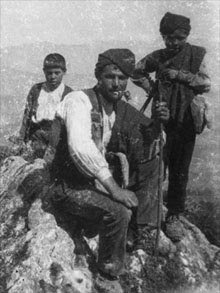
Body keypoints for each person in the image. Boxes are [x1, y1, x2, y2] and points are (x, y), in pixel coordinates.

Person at [50, 48, 169, 291]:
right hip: (67, 186)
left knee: (152, 162)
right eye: (110, 76)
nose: (116, 83)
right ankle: (107, 274)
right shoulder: (79, 101)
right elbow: (80, 148)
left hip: (90, 181)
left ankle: (144, 230)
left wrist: (158, 123)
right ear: (98, 77)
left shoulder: (117, 107)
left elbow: (150, 139)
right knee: (118, 212)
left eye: (122, 78)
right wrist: (114, 189)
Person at [132, 12, 211, 242]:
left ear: (187, 35)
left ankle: (174, 215)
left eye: (178, 38)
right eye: (168, 38)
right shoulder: (158, 57)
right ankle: (149, 213)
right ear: (163, 37)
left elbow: (205, 82)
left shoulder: (197, 55)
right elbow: (137, 71)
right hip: (162, 118)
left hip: (186, 119)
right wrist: (151, 89)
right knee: (157, 166)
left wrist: (180, 75)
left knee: (180, 170)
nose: (173, 43)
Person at [19, 53, 73, 158]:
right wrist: (21, 139)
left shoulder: (69, 94)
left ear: (64, 72)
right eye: (49, 73)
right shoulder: (36, 90)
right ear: (44, 72)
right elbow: (26, 117)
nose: (53, 77)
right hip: (36, 139)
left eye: (57, 73)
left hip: (57, 142)